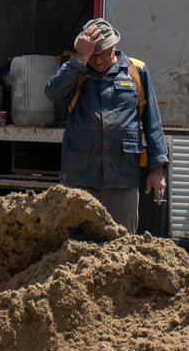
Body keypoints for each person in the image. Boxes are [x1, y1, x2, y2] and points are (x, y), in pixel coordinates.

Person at [44, 18, 168, 234]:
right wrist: (81, 57)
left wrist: (157, 170)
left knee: (120, 244)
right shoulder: (76, 70)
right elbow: (53, 94)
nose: (98, 61)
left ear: (114, 47)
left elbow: (153, 123)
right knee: (77, 242)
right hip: (80, 176)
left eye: (103, 54)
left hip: (122, 177)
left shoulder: (136, 71)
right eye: (93, 56)